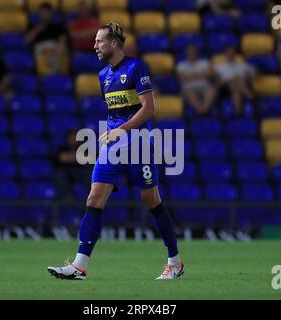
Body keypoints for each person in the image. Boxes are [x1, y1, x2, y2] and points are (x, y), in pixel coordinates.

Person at [47, 22, 183, 281]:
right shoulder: (103, 75)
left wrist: (122, 129)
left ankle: (174, 261)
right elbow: (115, 112)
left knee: (151, 201)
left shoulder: (136, 68)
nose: (95, 45)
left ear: (114, 43)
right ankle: (79, 266)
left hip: (139, 145)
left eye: (99, 41)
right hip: (112, 147)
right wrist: (112, 134)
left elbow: (149, 107)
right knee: (93, 199)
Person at [25, 2, 69, 74]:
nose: (46, 15)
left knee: (61, 48)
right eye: (44, 13)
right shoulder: (34, 26)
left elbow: (62, 40)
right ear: (40, 14)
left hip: (55, 47)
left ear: (51, 14)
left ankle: (52, 69)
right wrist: (37, 30)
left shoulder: (58, 27)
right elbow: (27, 40)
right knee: (46, 51)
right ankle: (54, 69)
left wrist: (55, 48)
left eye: (48, 13)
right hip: (41, 47)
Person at [176, 43, 218, 116]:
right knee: (190, 92)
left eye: (193, 51)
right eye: (189, 51)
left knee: (212, 91)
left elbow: (209, 73)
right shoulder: (181, 65)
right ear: (186, 52)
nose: (191, 53)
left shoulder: (204, 63)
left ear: (196, 52)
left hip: (204, 87)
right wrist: (201, 75)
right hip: (188, 88)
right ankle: (201, 111)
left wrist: (191, 76)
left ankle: (204, 109)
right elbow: (184, 78)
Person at [215, 45, 256, 115]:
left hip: (238, 87)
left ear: (235, 55)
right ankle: (249, 95)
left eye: (232, 53)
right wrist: (231, 79)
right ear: (225, 54)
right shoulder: (219, 66)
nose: (231, 55)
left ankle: (238, 113)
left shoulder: (242, 65)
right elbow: (216, 81)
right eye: (229, 53)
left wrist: (249, 76)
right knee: (236, 79)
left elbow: (255, 73)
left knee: (236, 92)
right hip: (225, 88)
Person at [53, 130, 92, 199]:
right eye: (71, 138)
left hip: (80, 171)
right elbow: (62, 158)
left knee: (89, 173)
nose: (73, 140)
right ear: (67, 139)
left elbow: (88, 160)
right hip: (66, 171)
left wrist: (70, 157)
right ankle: (67, 197)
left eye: (75, 138)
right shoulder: (62, 148)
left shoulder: (83, 148)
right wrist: (78, 158)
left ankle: (89, 197)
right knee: (59, 174)